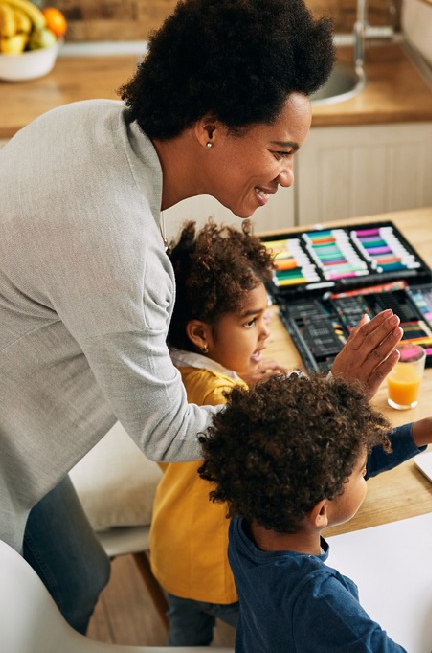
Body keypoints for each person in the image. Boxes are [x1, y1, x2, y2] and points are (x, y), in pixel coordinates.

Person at [0, 0, 403, 645]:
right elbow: (165, 430)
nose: (287, 174)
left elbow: (115, 324)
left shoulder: (95, 125)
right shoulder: (117, 243)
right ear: (210, 126)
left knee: (76, 577)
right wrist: (327, 406)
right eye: (279, 150)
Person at [197, 370, 432, 652]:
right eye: (362, 472)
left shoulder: (251, 508)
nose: (366, 472)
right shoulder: (322, 605)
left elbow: (331, 471)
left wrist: (429, 429)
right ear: (320, 511)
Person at [149, 218, 281, 645]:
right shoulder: (219, 396)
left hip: (172, 547)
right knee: (264, 635)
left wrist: (242, 380)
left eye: (265, 316)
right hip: (218, 567)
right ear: (201, 334)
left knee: (186, 639)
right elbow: (260, 445)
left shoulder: (172, 373)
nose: (266, 331)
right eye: (249, 322)